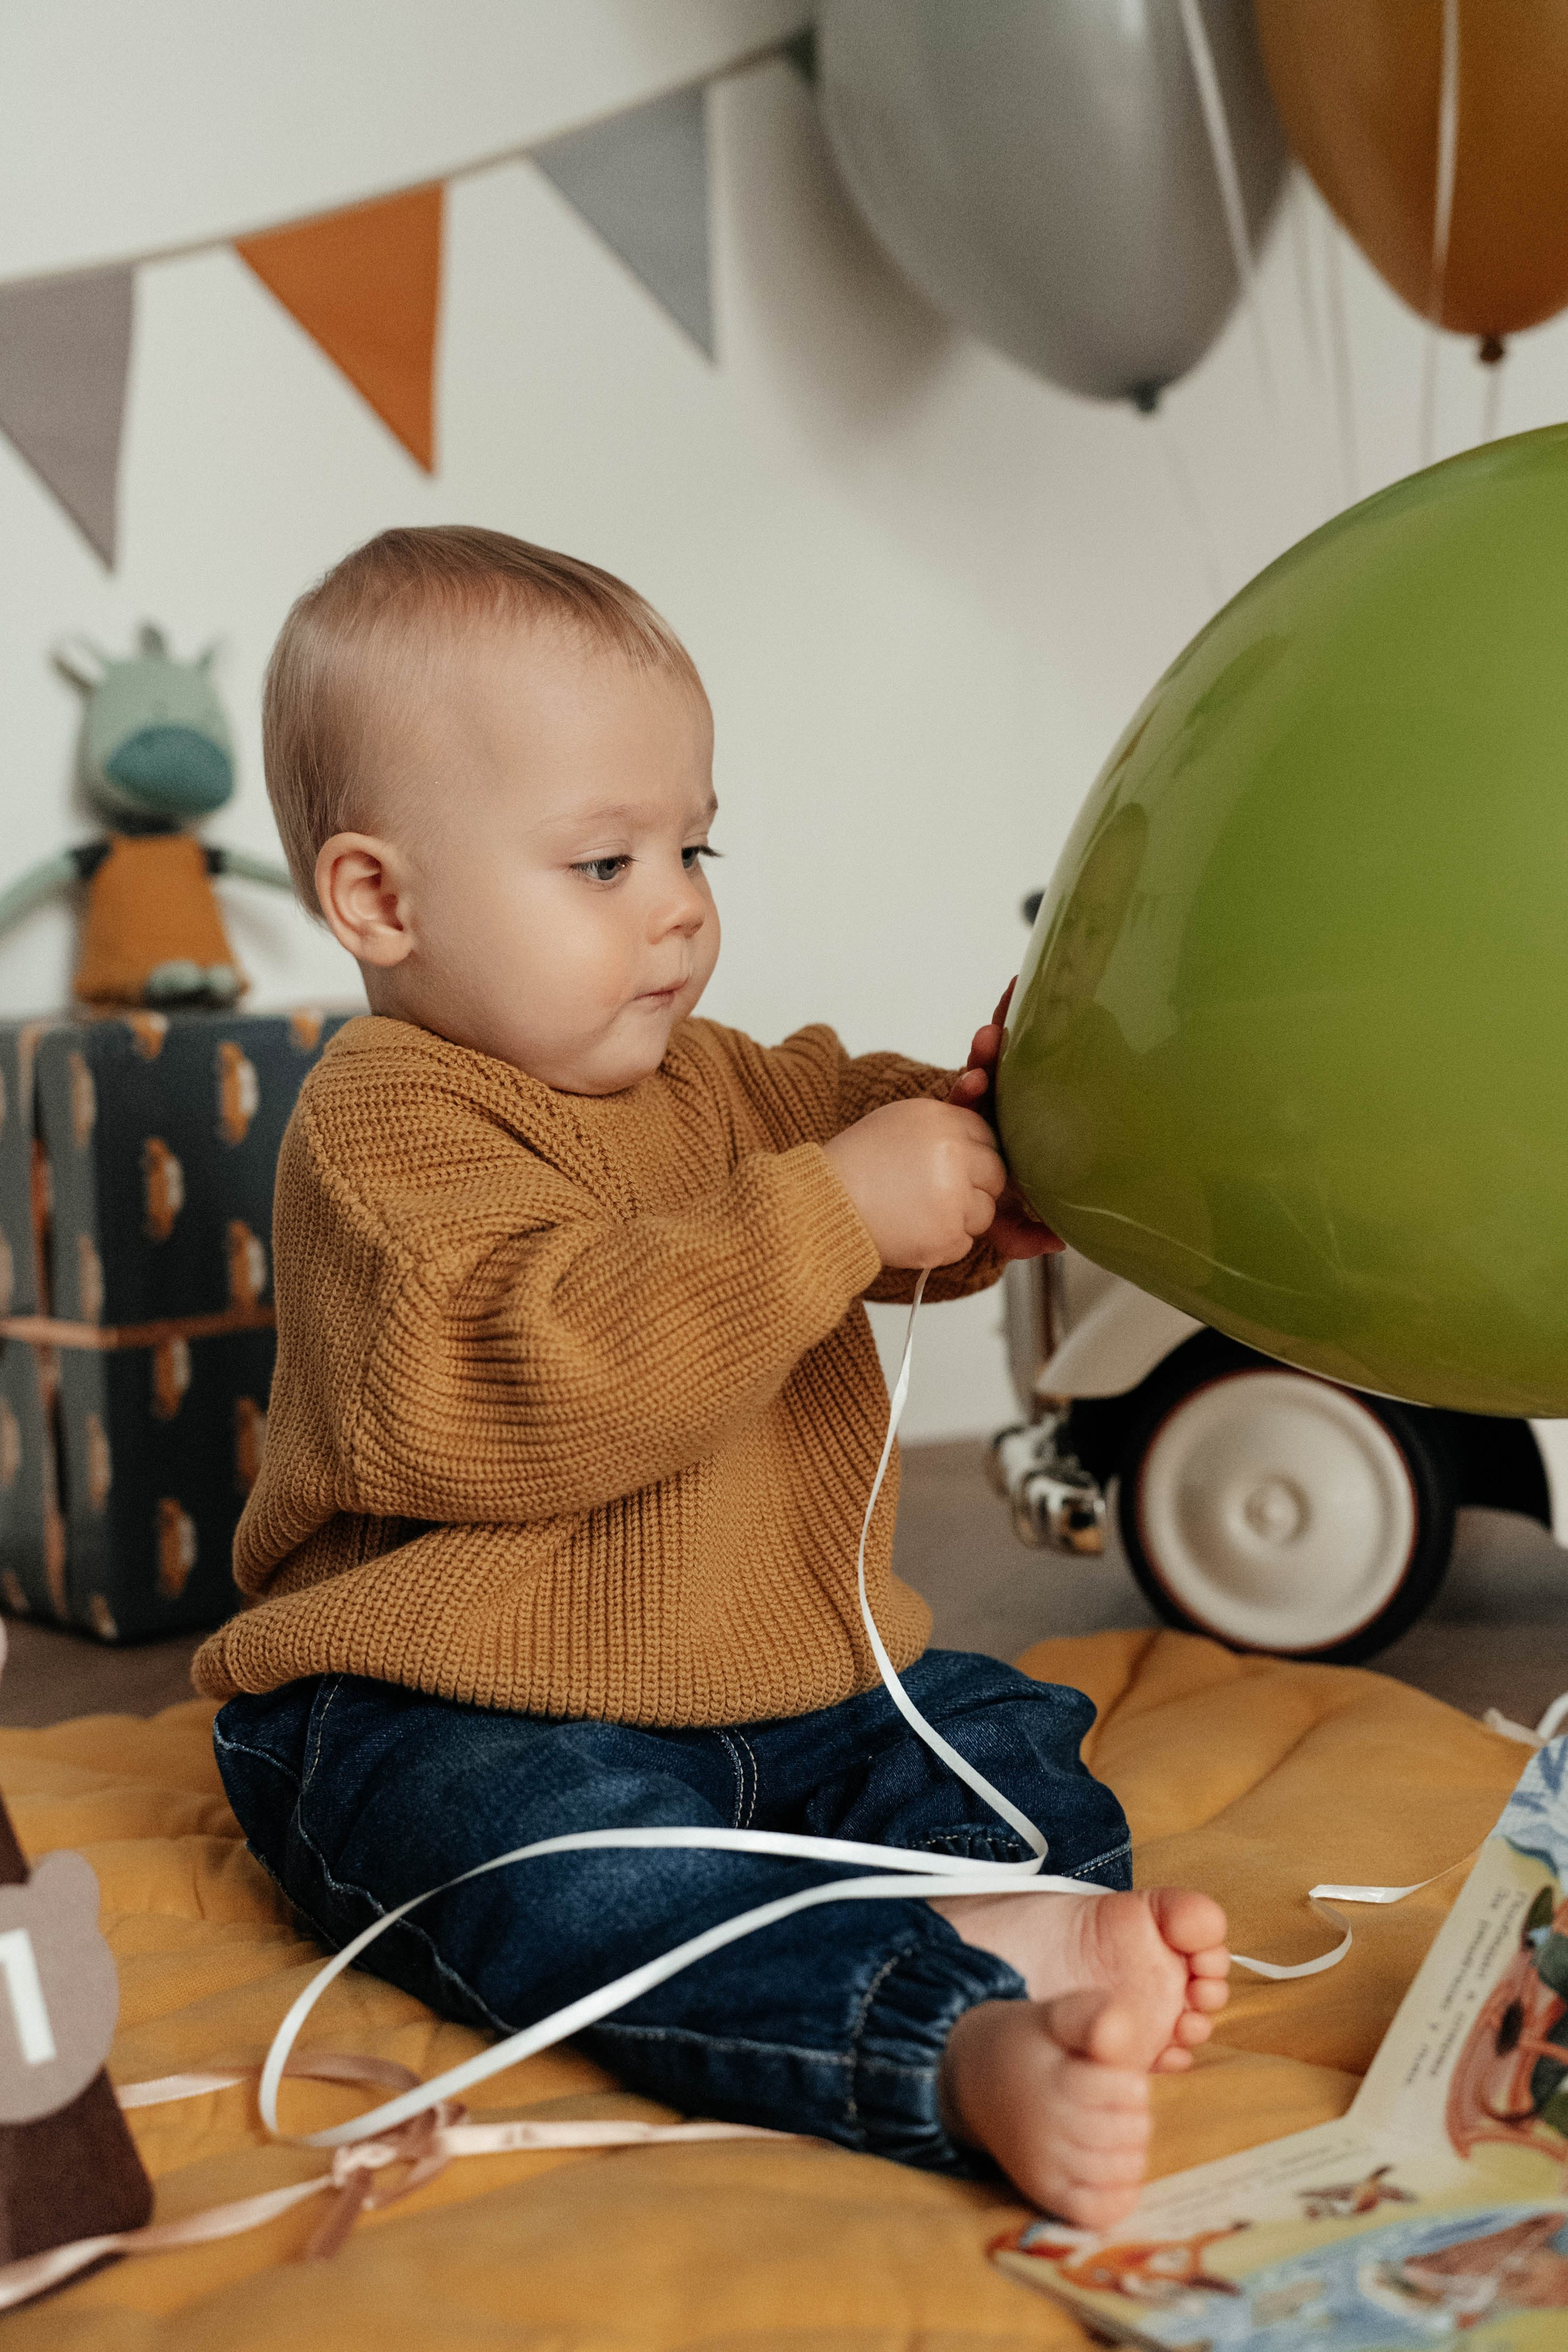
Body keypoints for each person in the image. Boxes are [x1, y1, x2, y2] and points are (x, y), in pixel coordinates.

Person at [194, 526, 1228, 2230]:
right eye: (604, 863)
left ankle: (1005, 1923)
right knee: (557, 1873)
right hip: (453, 1704)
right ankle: (933, 2044)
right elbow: (541, 1364)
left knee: (1003, 1742)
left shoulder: (721, 1083)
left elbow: (847, 1122)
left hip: (789, 1690)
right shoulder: (383, 1126)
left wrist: (996, 1135)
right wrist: (836, 1206)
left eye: (696, 840)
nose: (679, 901)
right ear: (381, 898)